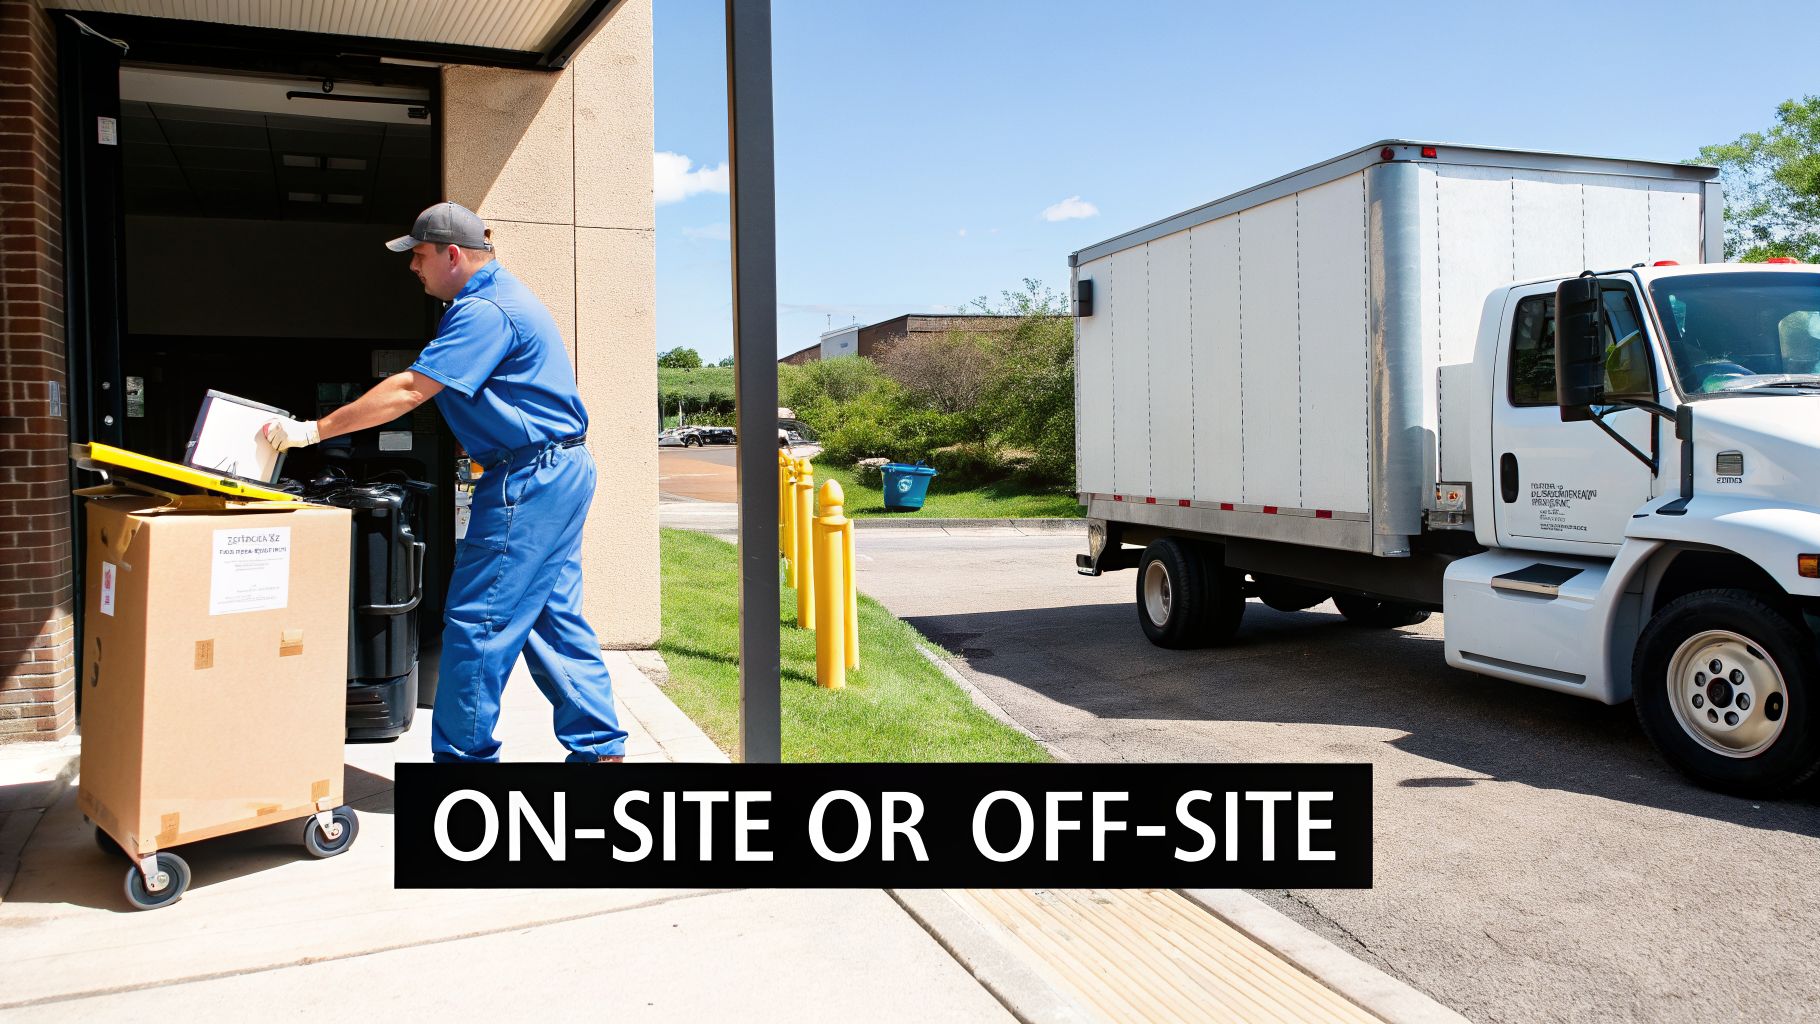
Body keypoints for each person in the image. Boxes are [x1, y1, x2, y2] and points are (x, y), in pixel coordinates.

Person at [261, 201, 628, 764]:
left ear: (453, 254)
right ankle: (600, 750)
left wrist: (311, 431)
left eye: (420, 255)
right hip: (556, 469)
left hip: (527, 477)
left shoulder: (484, 309)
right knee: (552, 613)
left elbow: (410, 389)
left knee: (478, 623)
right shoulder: (500, 299)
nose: (413, 267)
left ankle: (462, 768)